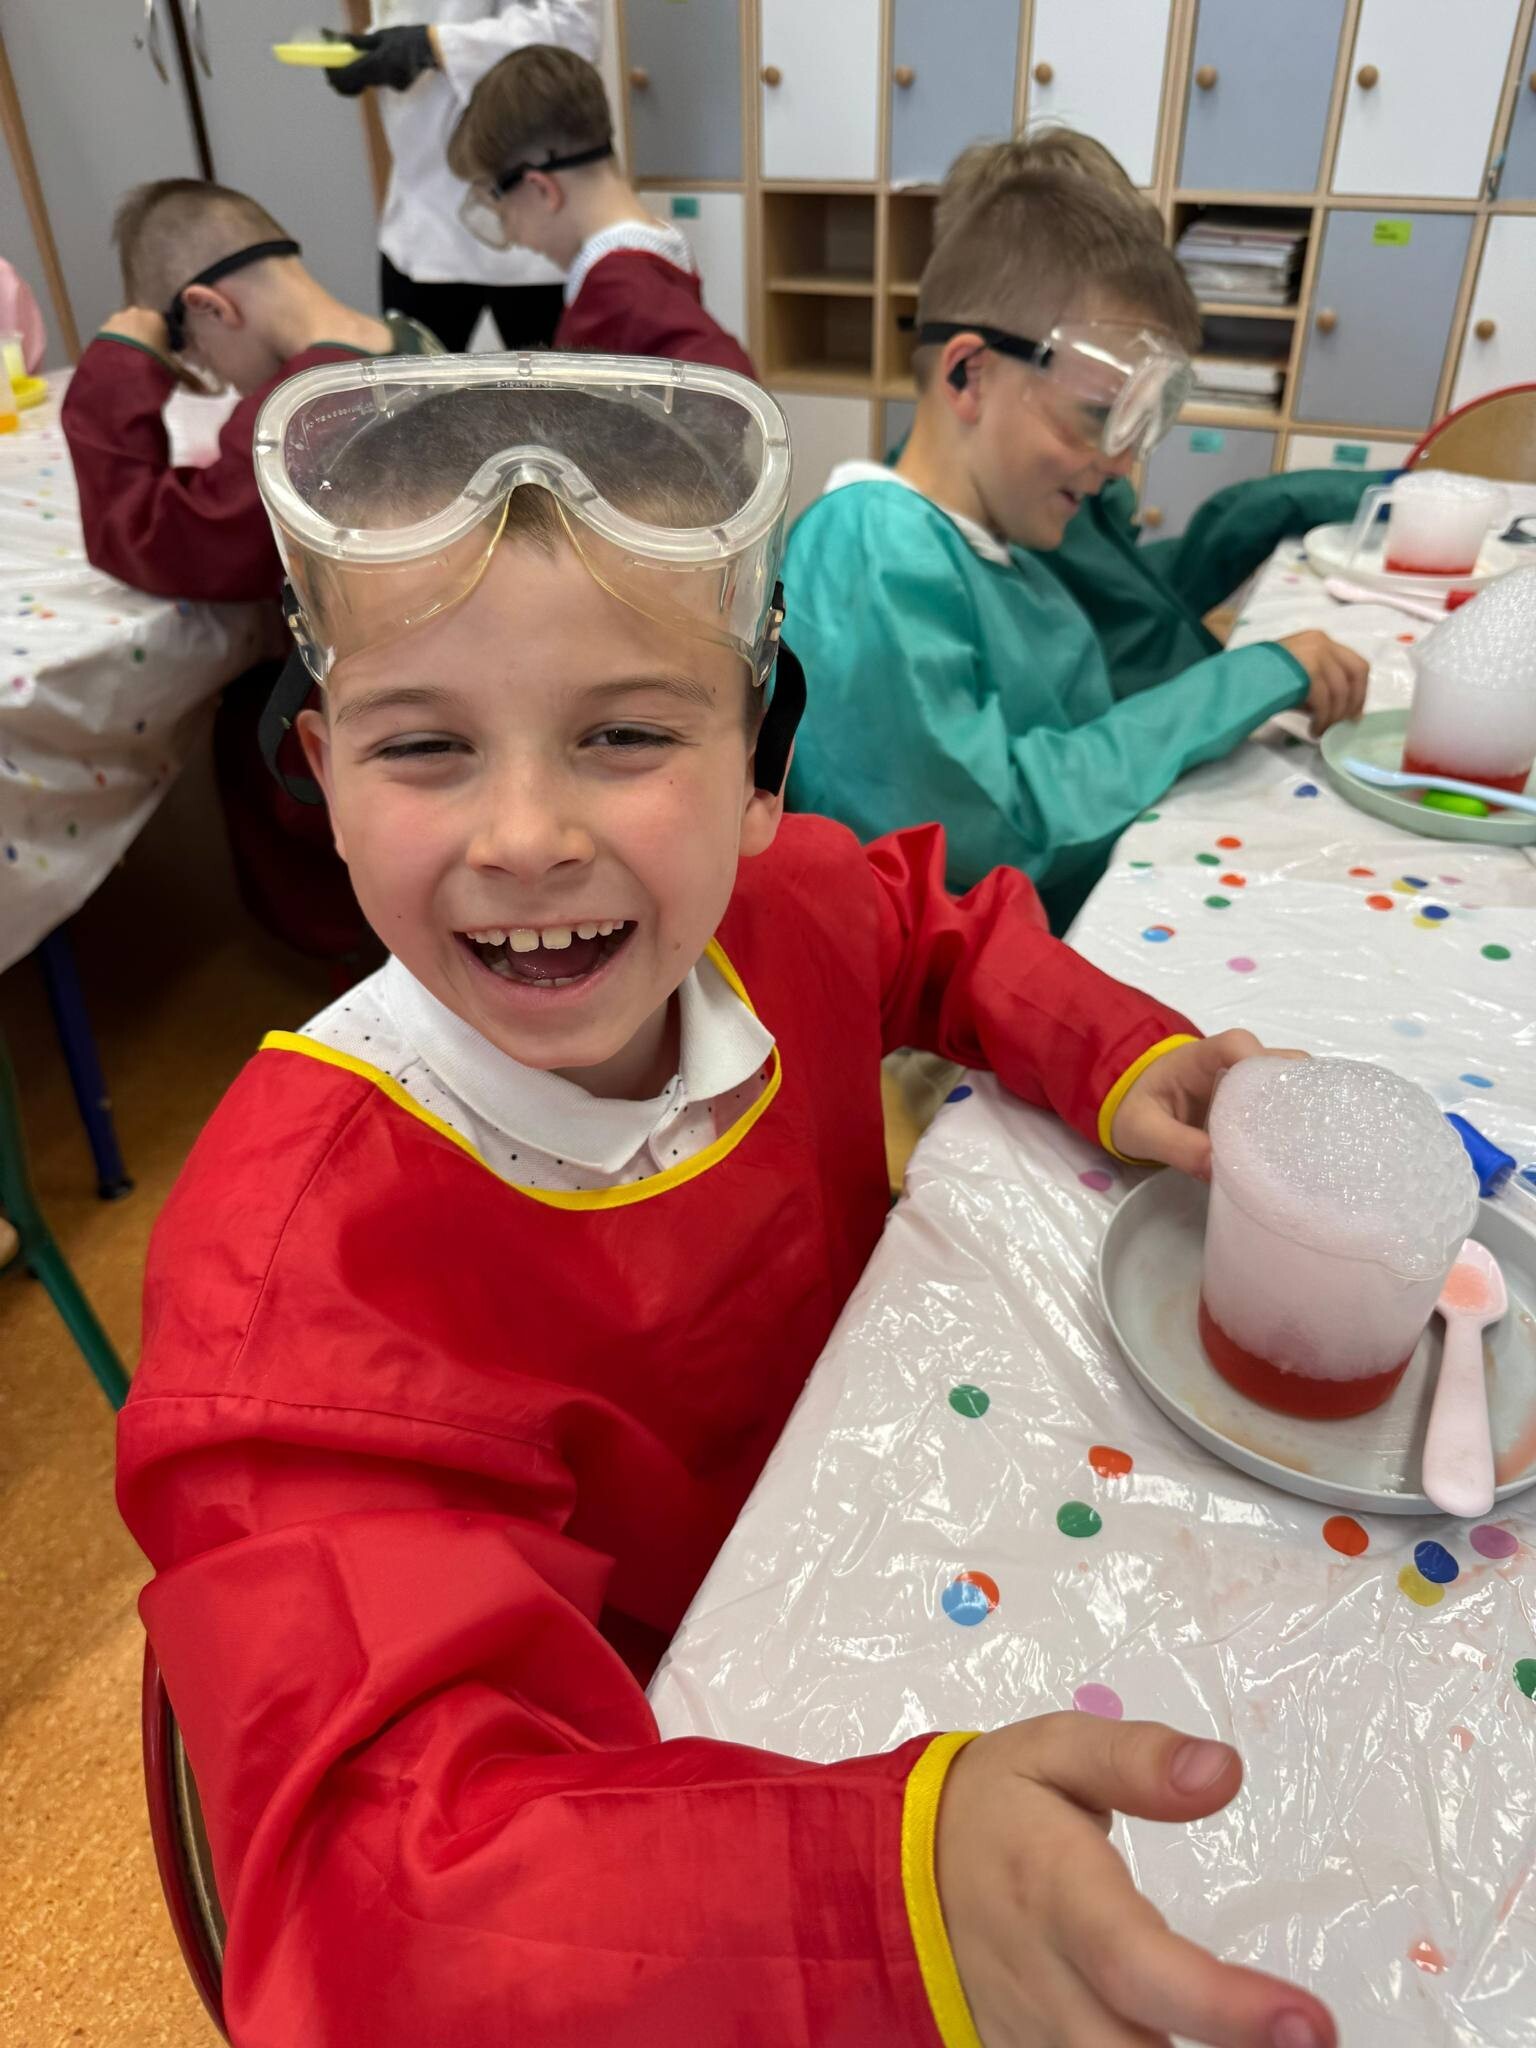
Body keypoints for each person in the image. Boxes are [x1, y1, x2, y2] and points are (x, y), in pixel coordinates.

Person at [117, 354, 1338, 2048]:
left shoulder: (778, 909)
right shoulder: (290, 1291)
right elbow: (380, 1887)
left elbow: (927, 926)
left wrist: (1121, 1056)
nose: (526, 835)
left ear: (764, 764)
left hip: (875, 1534)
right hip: (660, 1796)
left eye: (625, 734)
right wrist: (883, 1901)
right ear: (324, 777)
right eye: (425, 745)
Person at [782, 167, 1369, 932]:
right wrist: (1242, 682)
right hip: (945, 991)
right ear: (968, 374)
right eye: (1097, 416)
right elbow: (986, 830)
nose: (1122, 464)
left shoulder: (1000, 556)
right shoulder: (871, 546)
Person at [60, 179, 439, 959]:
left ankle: (355, 942)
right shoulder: (407, 339)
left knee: (244, 722)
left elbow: (156, 539)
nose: (225, 383)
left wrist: (117, 371)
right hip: (436, 655)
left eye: (197, 354)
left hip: (381, 705)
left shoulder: (303, 406)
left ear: (209, 307)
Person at [937, 130, 1396, 699]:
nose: (1121, 461)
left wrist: (1347, 496)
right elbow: (1085, 713)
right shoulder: (979, 517)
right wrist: (1254, 682)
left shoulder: (1053, 457)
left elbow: (1128, 596)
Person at [445, 42, 755, 374]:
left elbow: (726, 373)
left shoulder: (615, 287)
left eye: (504, 215)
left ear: (542, 190)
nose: (517, 239)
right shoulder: (662, 247)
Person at [325, 1, 601, 351]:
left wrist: (432, 45)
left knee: (555, 383)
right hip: (419, 217)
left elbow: (575, 31)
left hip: (528, 214)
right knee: (411, 383)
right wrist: (373, 52)